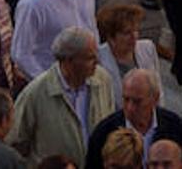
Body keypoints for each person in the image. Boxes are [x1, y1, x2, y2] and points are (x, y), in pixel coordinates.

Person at [7, 27, 114, 167]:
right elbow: (14, 142)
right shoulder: (36, 93)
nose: (97, 62)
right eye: (90, 58)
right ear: (68, 61)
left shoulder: (102, 80)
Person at [84, 69, 182, 169]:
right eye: (126, 99)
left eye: (137, 101)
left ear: (155, 99)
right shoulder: (105, 131)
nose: (130, 107)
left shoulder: (176, 127)